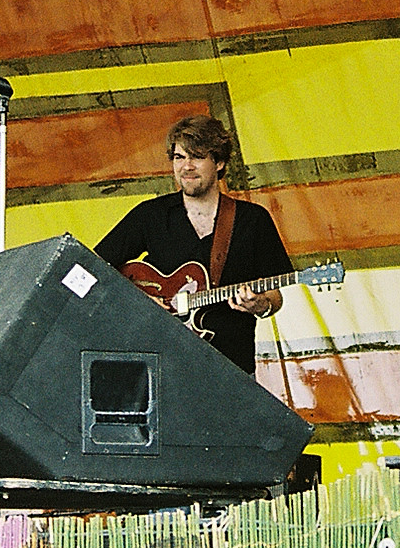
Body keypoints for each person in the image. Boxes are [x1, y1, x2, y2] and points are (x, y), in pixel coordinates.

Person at [95, 115, 293, 376]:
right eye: (179, 157)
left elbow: (275, 294)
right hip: (162, 366)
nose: (186, 166)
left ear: (219, 162)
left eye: (197, 157)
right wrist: (140, 301)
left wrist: (261, 305)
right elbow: (92, 266)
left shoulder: (252, 220)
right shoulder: (150, 215)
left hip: (231, 367)